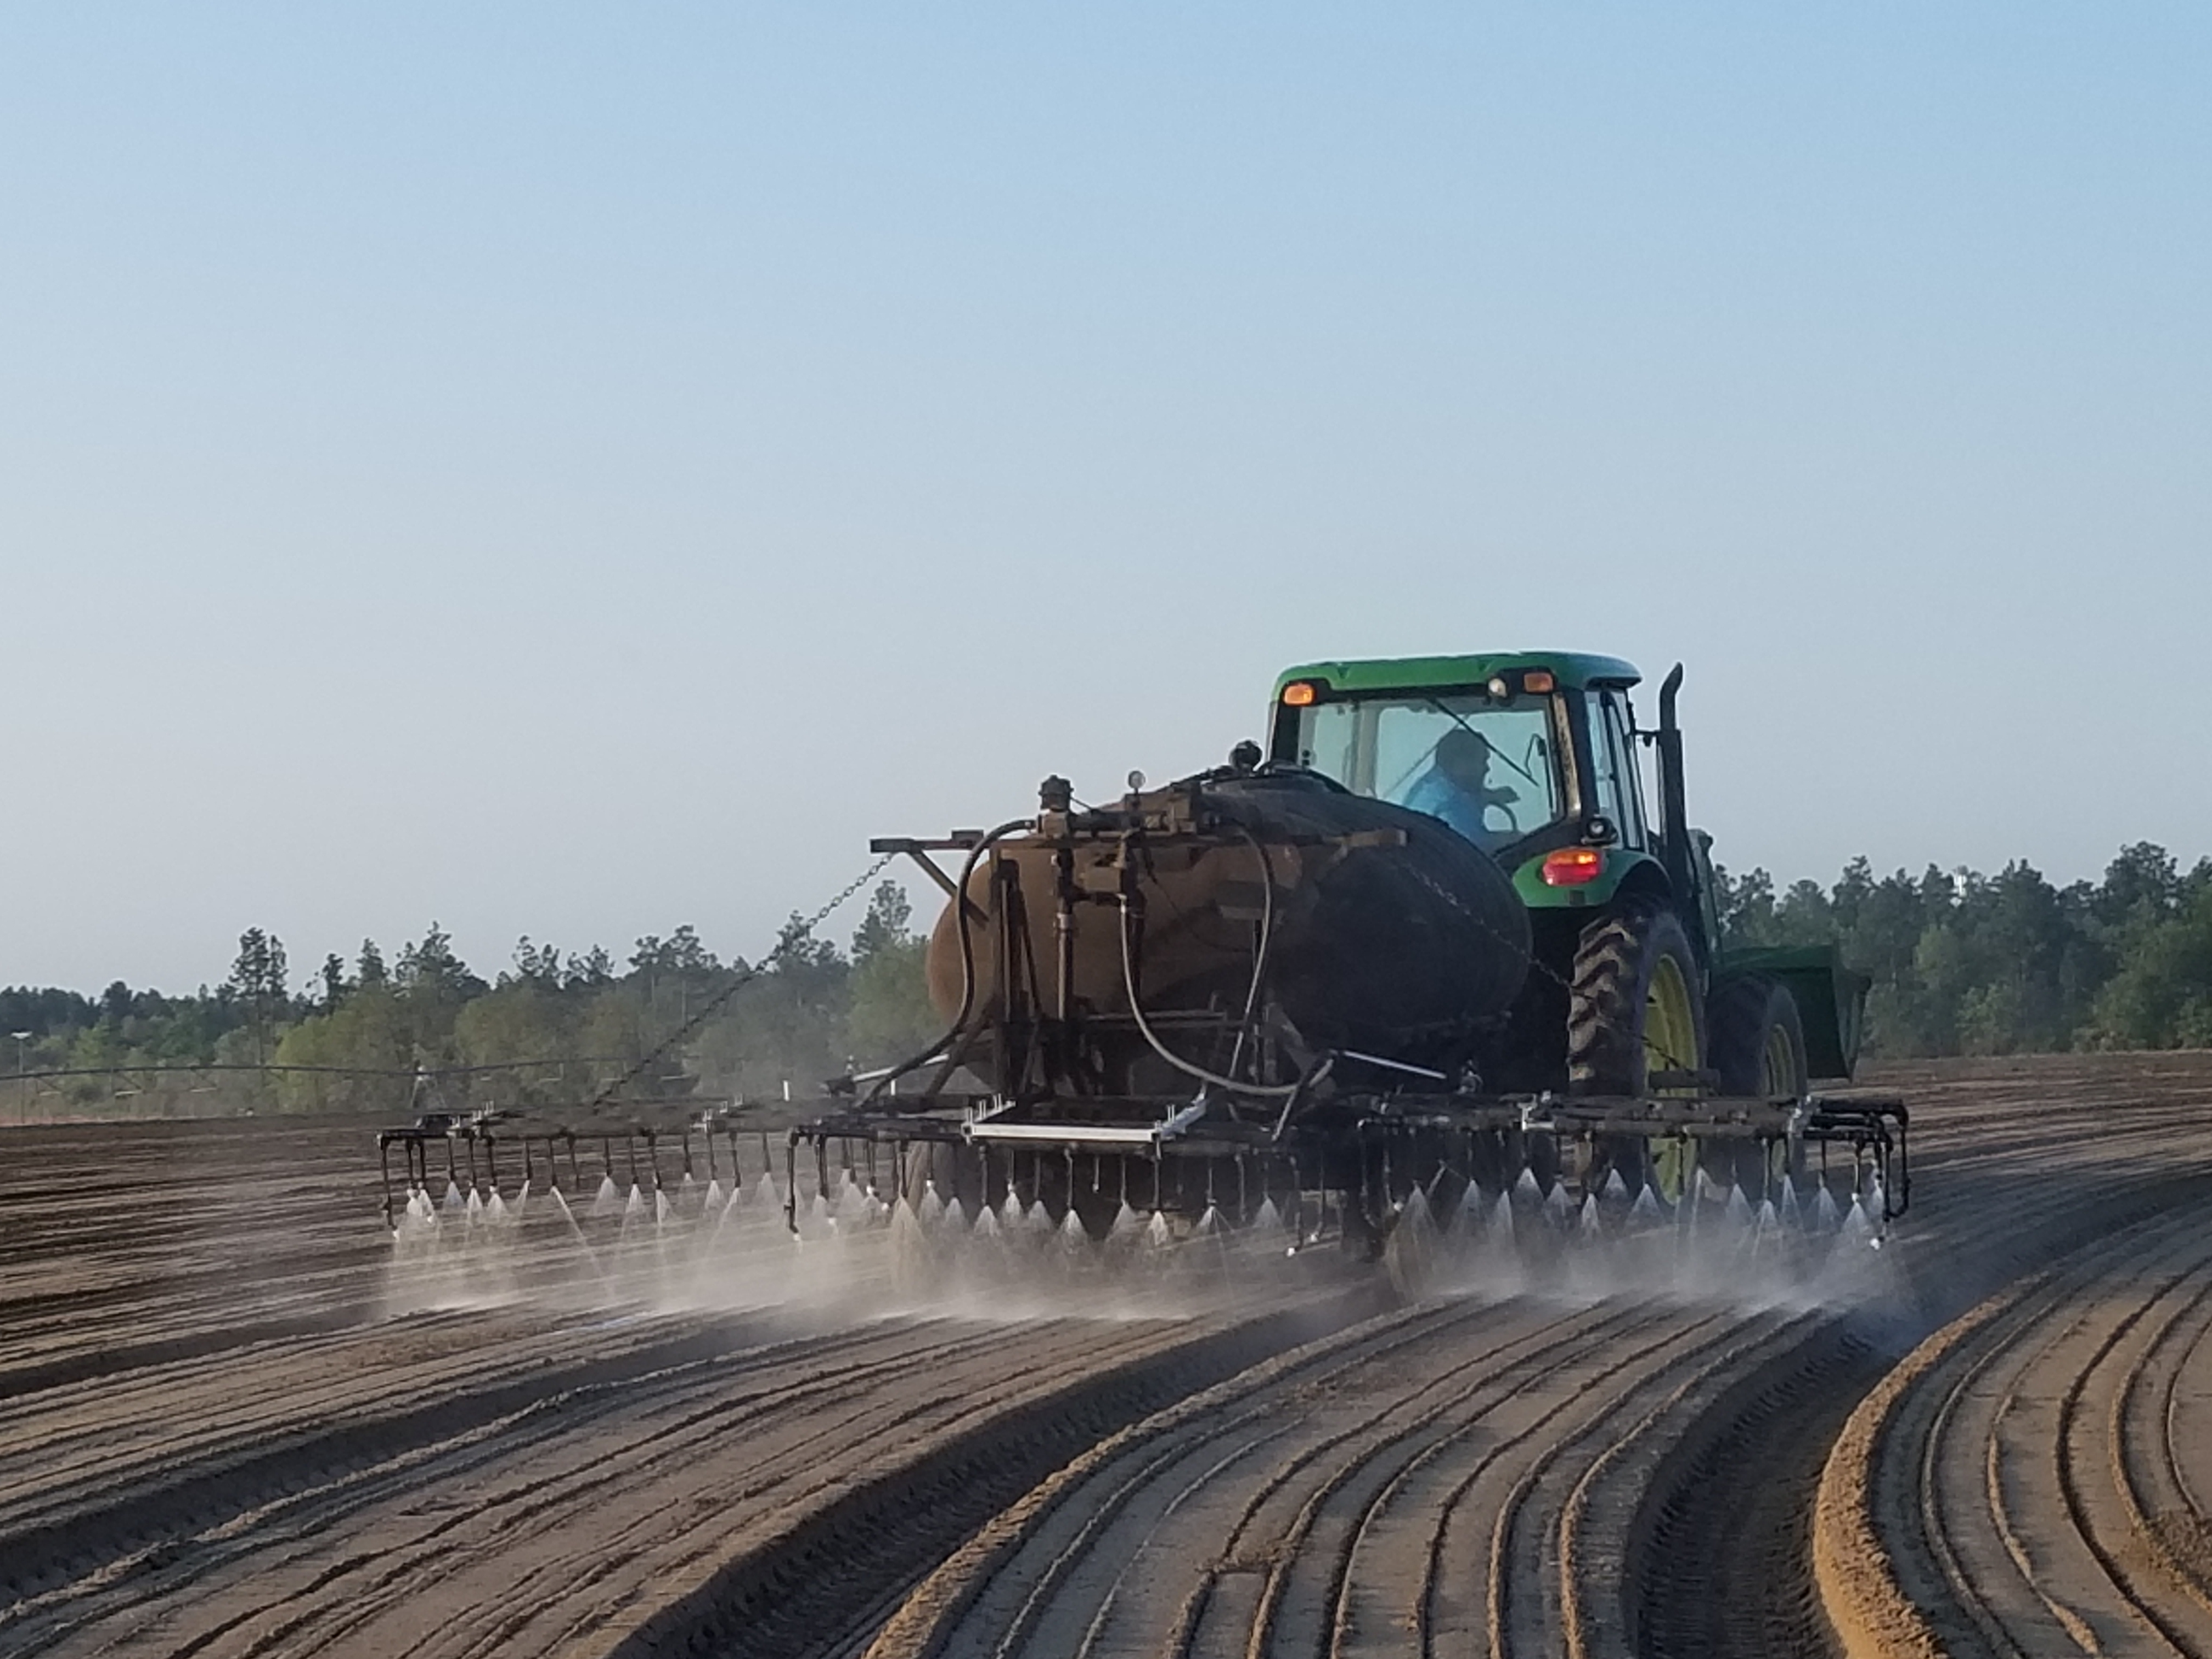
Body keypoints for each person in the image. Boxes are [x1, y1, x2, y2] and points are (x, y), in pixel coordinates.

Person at [1403, 727, 1520, 847]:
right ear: (1459, 763)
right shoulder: (1449, 804)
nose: (1487, 769)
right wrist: (1515, 840)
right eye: (1482, 761)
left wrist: (1488, 796)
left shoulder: (1431, 787)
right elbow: (1473, 848)